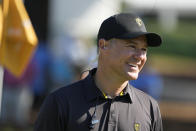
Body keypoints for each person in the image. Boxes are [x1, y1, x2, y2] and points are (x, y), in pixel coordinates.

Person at [34, 13, 163, 131]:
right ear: (103, 45)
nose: (140, 56)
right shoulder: (60, 103)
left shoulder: (150, 107)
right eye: (132, 46)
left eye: (144, 49)